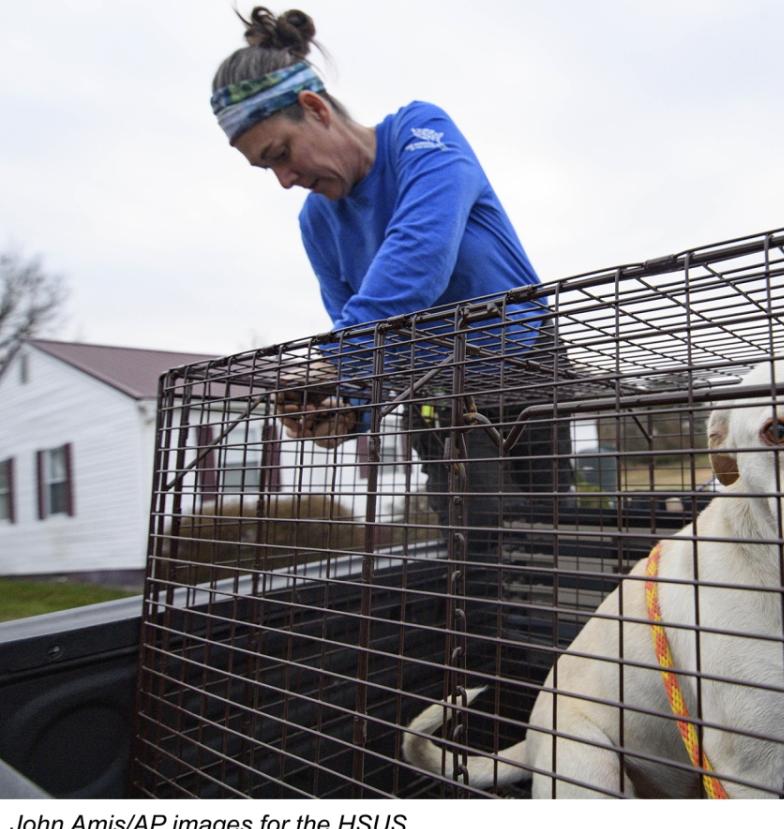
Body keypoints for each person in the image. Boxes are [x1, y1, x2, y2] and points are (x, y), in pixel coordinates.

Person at [209, 7, 573, 572]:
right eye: (266, 170)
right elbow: (366, 336)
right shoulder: (316, 223)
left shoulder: (420, 133)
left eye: (280, 154)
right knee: (478, 551)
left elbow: (419, 254)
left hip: (526, 363)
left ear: (314, 108)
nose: (284, 180)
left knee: (550, 534)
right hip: (435, 394)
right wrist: (346, 409)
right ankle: (492, 648)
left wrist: (333, 364)